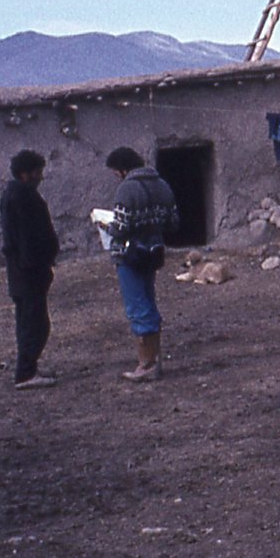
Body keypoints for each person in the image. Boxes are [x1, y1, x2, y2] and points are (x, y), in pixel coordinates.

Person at [104, 146, 179, 382]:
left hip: (130, 255)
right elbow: (173, 223)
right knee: (148, 301)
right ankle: (155, 359)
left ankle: (146, 364)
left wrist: (107, 226)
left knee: (137, 307)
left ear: (122, 169)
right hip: (153, 253)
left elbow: (121, 228)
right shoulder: (162, 185)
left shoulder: (127, 189)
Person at [0, 148, 60, 389]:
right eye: (37, 172)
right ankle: (25, 373)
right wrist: (37, 266)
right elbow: (27, 238)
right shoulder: (22, 198)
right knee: (34, 324)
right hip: (28, 273)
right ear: (25, 174)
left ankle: (28, 368)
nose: (40, 177)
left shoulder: (16, 195)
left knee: (30, 321)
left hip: (24, 271)